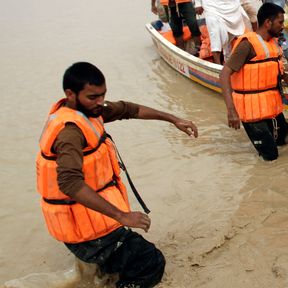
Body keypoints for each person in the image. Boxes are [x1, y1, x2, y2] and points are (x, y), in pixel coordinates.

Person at [36, 62, 198, 288]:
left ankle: (102, 270)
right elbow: (70, 183)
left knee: (122, 259)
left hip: (88, 217)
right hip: (82, 225)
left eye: (103, 95)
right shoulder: (70, 133)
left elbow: (129, 109)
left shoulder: (90, 111)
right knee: (151, 262)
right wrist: (122, 216)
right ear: (70, 94)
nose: (100, 102)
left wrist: (174, 119)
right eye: (93, 97)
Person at [220, 3, 288, 161]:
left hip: (271, 106)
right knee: (271, 157)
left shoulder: (272, 43)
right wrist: (231, 110)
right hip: (252, 112)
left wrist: (285, 76)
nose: (283, 26)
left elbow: (268, 68)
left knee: (286, 141)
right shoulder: (247, 45)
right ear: (268, 23)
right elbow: (224, 73)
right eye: (280, 22)